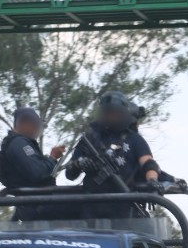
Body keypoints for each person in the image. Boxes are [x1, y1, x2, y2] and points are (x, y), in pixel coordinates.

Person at [65, 91, 170, 219]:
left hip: (124, 207)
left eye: (116, 113)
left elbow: (148, 163)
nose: (112, 116)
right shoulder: (90, 139)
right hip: (91, 207)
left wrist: (152, 180)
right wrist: (79, 164)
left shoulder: (134, 139)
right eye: (108, 112)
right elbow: (70, 173)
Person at [0, 107, 66, 221]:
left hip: (37, 205)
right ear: (25, 123)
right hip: (38, 207)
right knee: (85, 205)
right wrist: (52, 158)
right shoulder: (18, 143)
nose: (37, 129)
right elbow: (38, 172)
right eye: (35, 125)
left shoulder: (20, 143)